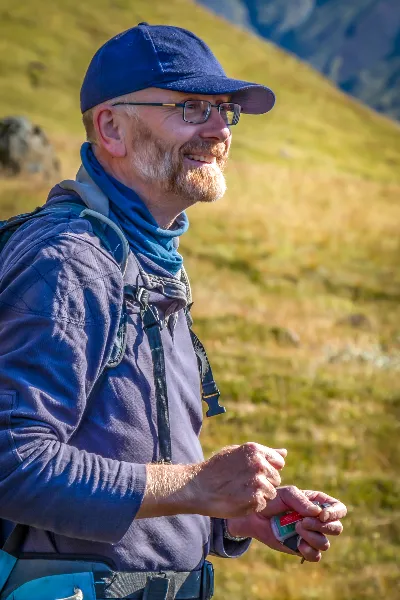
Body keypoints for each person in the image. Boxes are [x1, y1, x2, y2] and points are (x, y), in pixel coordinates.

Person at [0, 23, 346, 600]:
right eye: (191, 107)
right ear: (112, 127)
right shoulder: (70, 262)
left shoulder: (145, 258)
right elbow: (13, 464)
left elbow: (126, 455)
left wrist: (230, 515)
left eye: (223, 110)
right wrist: (195, 483)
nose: (218, 129)